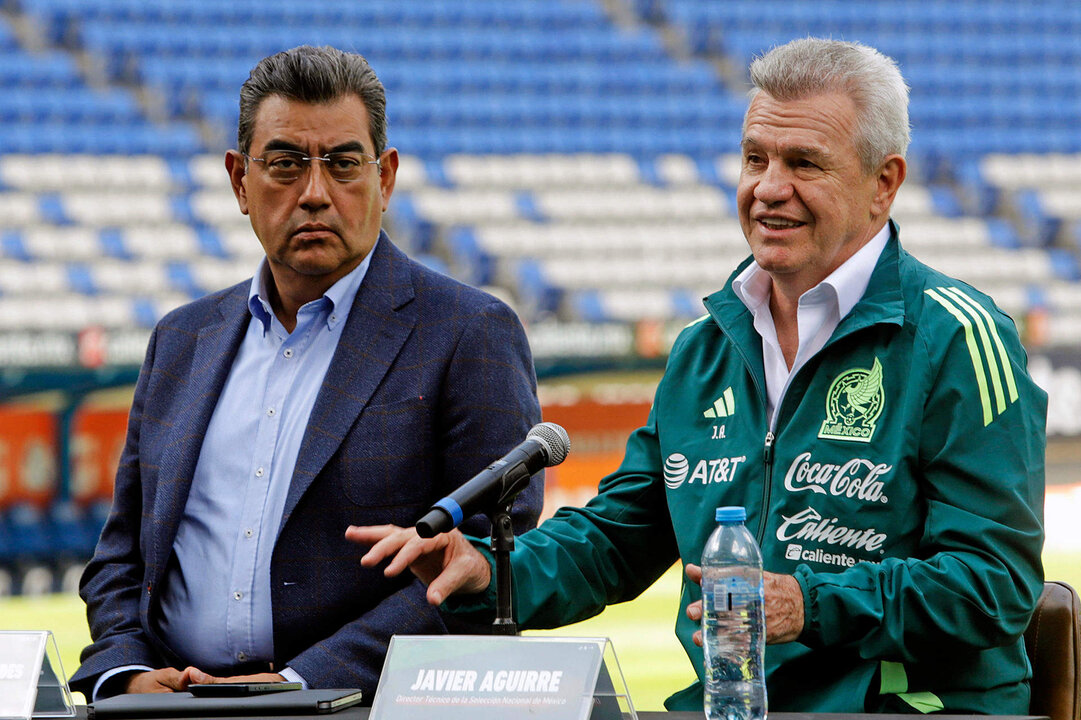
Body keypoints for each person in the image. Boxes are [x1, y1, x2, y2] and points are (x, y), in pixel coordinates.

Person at [350, 38, 1047, 714]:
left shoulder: (956, 337)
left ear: (882, 183)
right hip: (727, 706)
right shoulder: (704, 347)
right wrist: (493, 570)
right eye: (754, 158)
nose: (769, 189)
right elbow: (617, 537)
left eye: (803, 162)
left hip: (902, 710)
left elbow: (995, 583)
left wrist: (809, 604)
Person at [70, 45, 543, 702]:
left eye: (344, 164)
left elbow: (488, 559)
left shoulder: (468, 333)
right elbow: (123, 557)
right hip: (172, 708)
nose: (315, 193)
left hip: (352, 709)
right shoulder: (181, 340)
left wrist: (300, 684)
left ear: (387, 177)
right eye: (286, 164)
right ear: (240, 181)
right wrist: (125, 673)